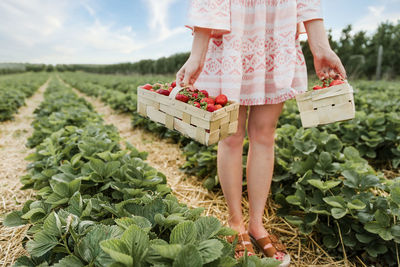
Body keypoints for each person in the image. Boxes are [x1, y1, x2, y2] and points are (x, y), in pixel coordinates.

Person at [176, 0, 346, 265]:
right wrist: (198, 52)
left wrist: (320, 45)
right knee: (230, 135)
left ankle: (257, 224)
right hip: (234, 29)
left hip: (275, 31)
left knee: (265, 135)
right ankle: (235, 223)